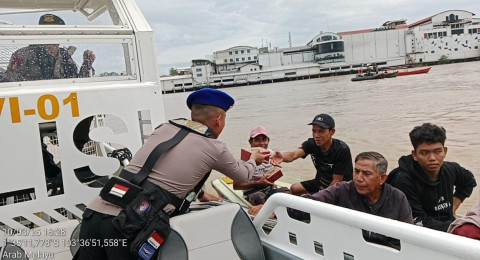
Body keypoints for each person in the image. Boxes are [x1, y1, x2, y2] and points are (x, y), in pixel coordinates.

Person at [77, 88, 268, 260]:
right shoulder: (214, 147)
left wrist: (201, 195)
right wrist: (253, 159)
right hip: (127, 227)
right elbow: (243, 175)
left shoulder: (164, 128)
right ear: (219, 120)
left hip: (94, 215)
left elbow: (163, 174)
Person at [250, 151, 413, 249]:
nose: (359, 178)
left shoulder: (398, 198)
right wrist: (273, 209)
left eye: (366, 173)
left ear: (382, 178)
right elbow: (309, 204)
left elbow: (408, 238)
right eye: (356, 172)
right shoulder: (342, 189)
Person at [389, 123, 477, 232]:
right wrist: (457, 228)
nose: (432, 158)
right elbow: (419, 220)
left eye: (438, 151)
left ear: (445, 151)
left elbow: (469, 182)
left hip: (448, 222)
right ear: (415, 154)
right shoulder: (403, 180)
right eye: (424, 153)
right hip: (421, 232)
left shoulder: (451, 169)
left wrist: (453, 206)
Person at [271, 114, 353, 196]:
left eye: (321, 131)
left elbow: (336, 182)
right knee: (294, 188)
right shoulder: (312, 144)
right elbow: (293, 155)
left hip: (340, 188)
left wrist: (317, 197)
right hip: (320, 182)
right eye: (314, 131)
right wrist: (282, 157)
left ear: (332, 132)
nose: (316, 135)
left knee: (311, 199)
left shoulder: (341, 150)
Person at [1, 14, 95, 82]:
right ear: (40, 34)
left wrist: (86, 66)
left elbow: (76, 81)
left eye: (56, 33)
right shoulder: (23, 54)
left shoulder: (64, 55)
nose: (51, 38)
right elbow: (9, 82)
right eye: (47, 33)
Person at [233, 126, 289, 205]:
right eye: (257, 140)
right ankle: (268, 214)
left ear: (268, 141)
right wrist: (257, 183)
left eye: (264, 139)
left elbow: (284, 159)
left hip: (269, 189)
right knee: (259, 197)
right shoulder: (244, 159)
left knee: (287, 191)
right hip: (252, 193)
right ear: (250, 142)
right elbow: (236, 186)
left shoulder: (271, 154)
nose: (261, 143)